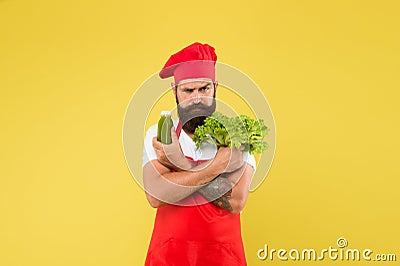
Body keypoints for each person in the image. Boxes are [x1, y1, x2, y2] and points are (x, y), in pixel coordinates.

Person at [142, 42, 256, 266]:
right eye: (188, 90)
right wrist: (217, 167)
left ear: (215, 87)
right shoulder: (159, 133)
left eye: (204, 89)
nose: (197, 98)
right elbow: (156, 196)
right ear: (174, 91)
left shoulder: (236, 135)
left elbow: (235, 201)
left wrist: (177, 164)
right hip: (168, 257)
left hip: (223, 258)